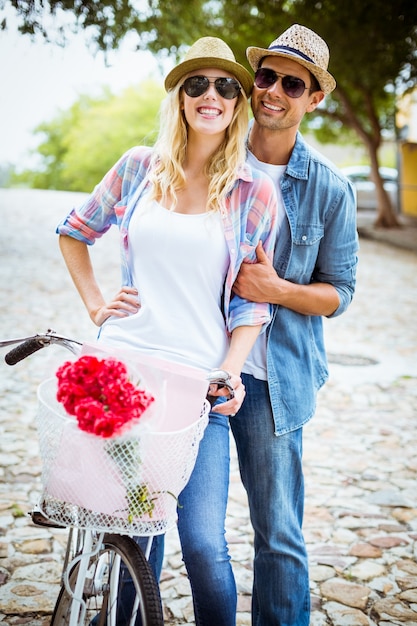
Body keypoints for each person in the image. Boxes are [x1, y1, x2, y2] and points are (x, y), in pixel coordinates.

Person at [56, 37, 278, 626]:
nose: (211, 95)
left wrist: (232, 368)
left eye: (226, 86)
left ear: (237, 104)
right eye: (197, 85)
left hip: (196, 388)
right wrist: (98, 304)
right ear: (180, 98)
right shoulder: (138, 167)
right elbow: (74, 231)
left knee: (204, 544)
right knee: (131, 534)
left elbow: (251, 304)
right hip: (121, 373)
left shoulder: (254, 193)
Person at [231, 24, 359, 626]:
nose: (274, 90)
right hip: (196, 364)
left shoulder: (331, 190)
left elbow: (341, 293)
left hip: (272, 382)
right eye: (266, 76)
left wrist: (276, 289)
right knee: (148, 514)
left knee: (278, 533)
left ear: (315, 98)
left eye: (292, 82)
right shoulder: (213, 157)